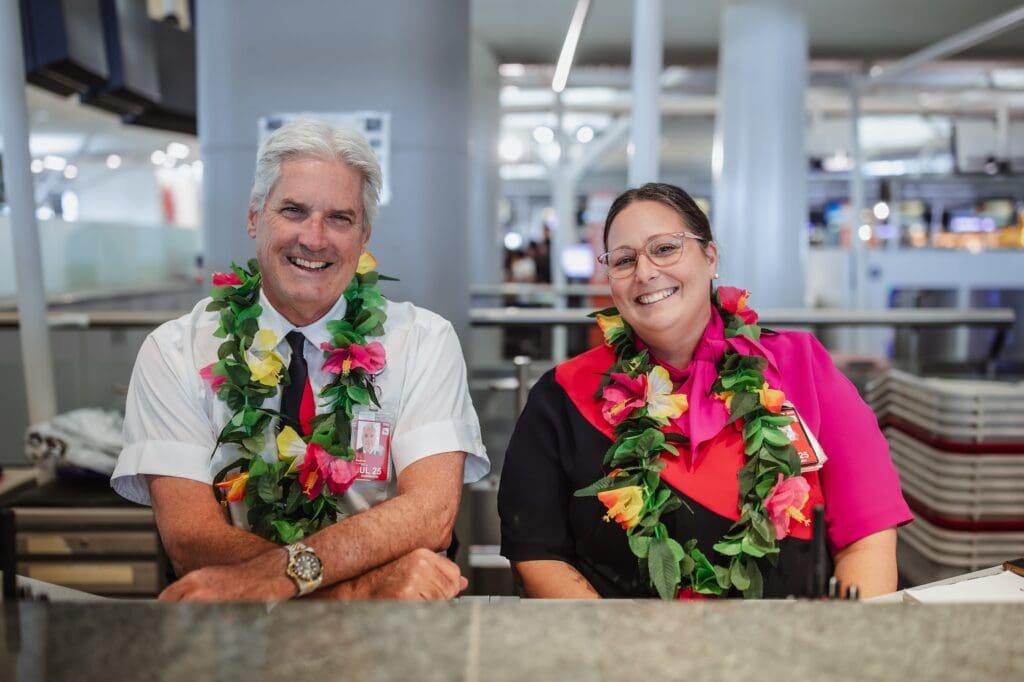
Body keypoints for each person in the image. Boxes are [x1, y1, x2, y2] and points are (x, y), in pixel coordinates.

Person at [112, 120, 489, 601]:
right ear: (254, 218)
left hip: (387, 637)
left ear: (364, 235)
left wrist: (277, 580)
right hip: (242, 629)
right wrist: (360, 590)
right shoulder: (174, 351)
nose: (314, 239)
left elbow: (430, 515)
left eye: (339, 218)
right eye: (294, 210)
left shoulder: (423, 341)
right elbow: (189, 539)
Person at [498, 183, 912, 600]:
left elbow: (868, 537)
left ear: (710, 257)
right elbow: (538, 555)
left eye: (664, 249)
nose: (645, 273)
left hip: (787, 651)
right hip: (619, 654)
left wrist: (844, 645)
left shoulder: (804, 369)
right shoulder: (563, 395)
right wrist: (620, 652)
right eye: (623, 260)